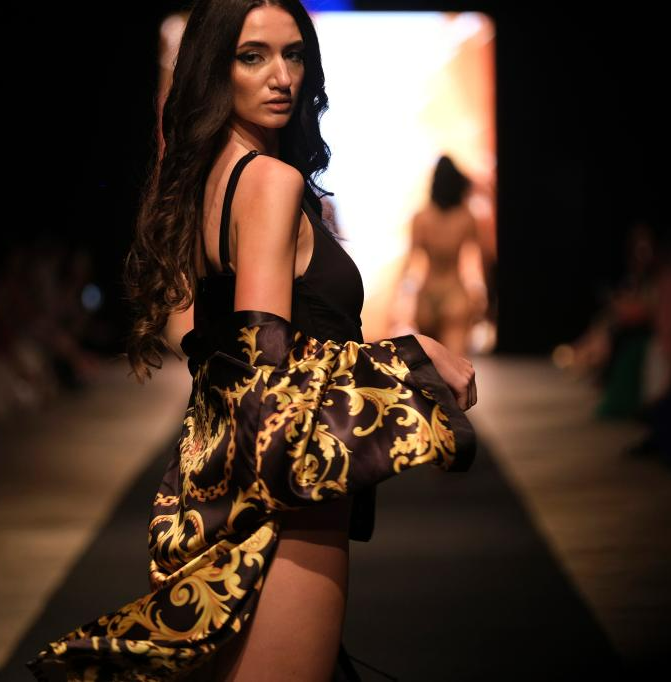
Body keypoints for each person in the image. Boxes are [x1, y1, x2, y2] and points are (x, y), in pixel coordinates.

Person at [27, 1, 478, 680]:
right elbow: (265, 378)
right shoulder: (269, 182)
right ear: (216, 68)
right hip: (284, 506)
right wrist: (414, 357)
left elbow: (217, 352)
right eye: (253, 56)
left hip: (223, 486)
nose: (281, 77)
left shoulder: (211, 181)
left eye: (294, 55)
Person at [401, 155, 483, 357]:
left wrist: (400, 297)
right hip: (455, 293)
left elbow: (409, 262)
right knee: (457, 365)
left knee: (429, 367)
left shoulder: (421, 218)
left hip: (426, 295)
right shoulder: (466, 218)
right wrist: (480, 294)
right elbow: (478, 259)